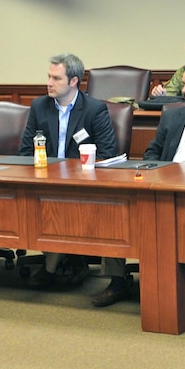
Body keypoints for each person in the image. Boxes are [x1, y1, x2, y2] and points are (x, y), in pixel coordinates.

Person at [17, 54, 120, 305]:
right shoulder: (40, 106)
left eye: (56, 78)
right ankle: (65, 260)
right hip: (46, 181)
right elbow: (25, 152)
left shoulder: (94, 109)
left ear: (74, 81)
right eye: (48, 77)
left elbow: (107, 153)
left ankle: (53, 267)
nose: (49, 83)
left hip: (84, 183)